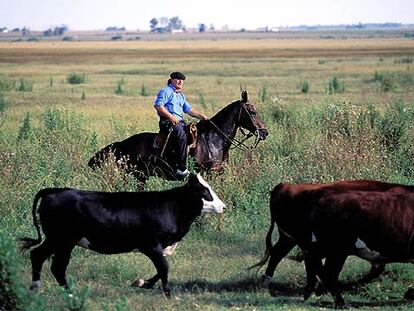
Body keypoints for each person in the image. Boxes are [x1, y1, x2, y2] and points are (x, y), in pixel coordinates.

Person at [154, 72, 208, 178]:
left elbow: (189, 110)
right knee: (182, 134)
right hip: (168, 122)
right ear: (172, 80)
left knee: (195, 131)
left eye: (182, 80)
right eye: (178, 79)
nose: (180, 82)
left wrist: (202, 116)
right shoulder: (166, 91)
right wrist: (171, 117)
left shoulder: (180, 96)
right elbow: (158, 106)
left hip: (179, 122)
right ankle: (181, 168)